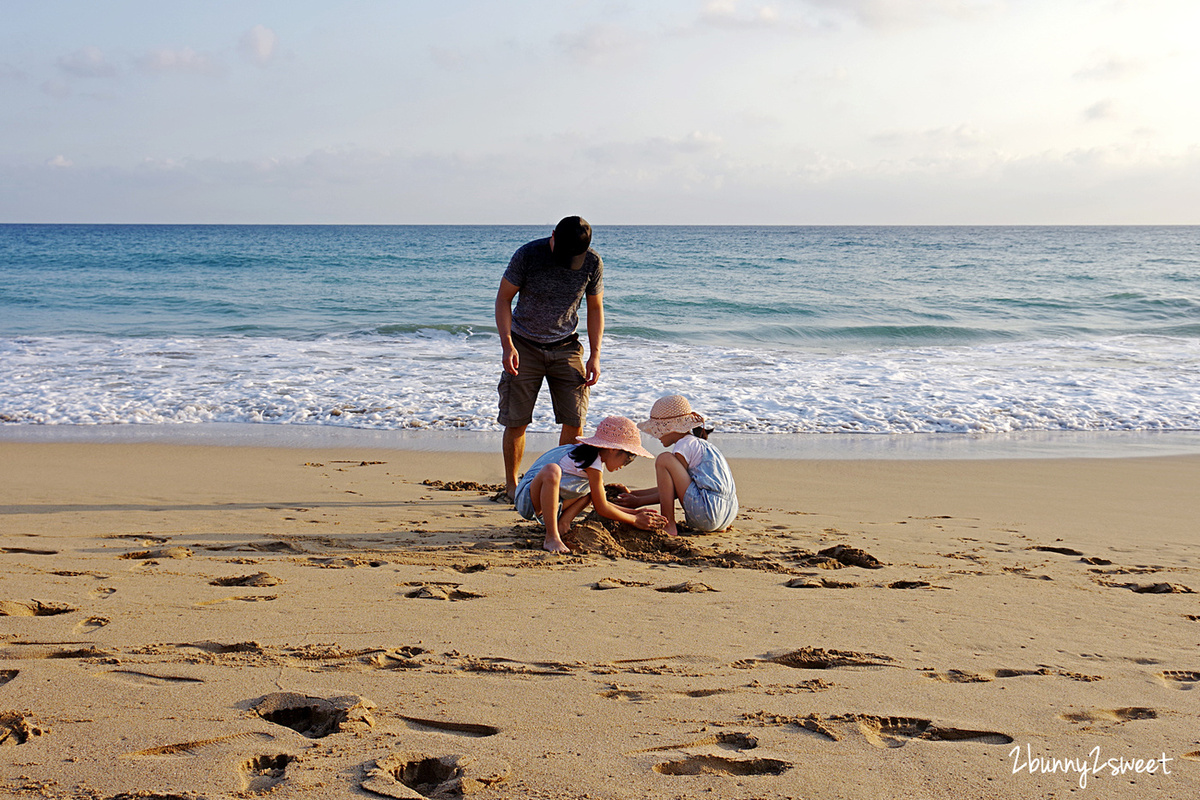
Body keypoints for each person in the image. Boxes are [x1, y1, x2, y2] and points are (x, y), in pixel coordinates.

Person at [495, 216, 604, 502]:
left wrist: (595, 354)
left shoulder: (591, 263)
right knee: (516, 420)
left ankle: (561, 485)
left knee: (575, 418)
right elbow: (504, 299)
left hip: (566, 347)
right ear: (552, 235)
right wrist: (507, 344)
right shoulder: (528, 255)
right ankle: (512, 486)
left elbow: (595, 308)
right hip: (523, 344)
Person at [514, 416, 665, 553]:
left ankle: (563, 522)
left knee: (593, 489)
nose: (626, 464)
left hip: (551, 501)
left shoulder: (593, 460)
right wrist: (635, 520)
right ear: (613, 449)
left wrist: (634, 512)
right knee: (552, 470)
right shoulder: (591, 462)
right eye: (628, 457)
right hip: (528, 499)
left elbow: (600, 501)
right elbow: (601, 508)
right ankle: (551, 537)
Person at [617, 395, 739, 537]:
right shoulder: (703, 445)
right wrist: (634, 494)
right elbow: (671, 488)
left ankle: (669, 524)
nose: (656, 436)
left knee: (664, 459)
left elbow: (672, 491)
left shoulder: (683, 445)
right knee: (667, 461)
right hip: (728, 513)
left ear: (671, 428)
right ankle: (715, 526)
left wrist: (638, 501)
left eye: (658, 430)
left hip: (708, 512)